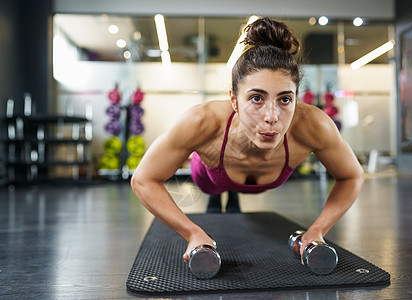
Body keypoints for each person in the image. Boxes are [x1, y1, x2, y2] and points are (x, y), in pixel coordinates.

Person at [131, 17, 364, 264]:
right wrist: (192, 232)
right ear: (234, 100)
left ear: (296, 98)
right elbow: (143, 179)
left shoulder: (312, 125)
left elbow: (352, 175)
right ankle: (223, 191)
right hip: (212, 176)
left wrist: (317, 230)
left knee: (230, 190)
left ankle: (232, 193)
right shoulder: (202, 121)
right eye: (256, 98)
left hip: (263, 179)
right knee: (214, 187)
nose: (272, 117)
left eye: (285, 99)